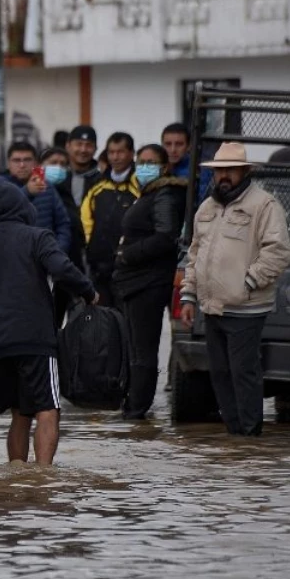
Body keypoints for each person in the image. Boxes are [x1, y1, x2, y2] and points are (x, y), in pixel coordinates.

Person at [0, 183, 96, 465]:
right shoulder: (38, 237)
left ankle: (17, 478)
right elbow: (61, 268)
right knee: (47, 409)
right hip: (36, 341)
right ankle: (42, 478)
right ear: (22, 207)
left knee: (19, 415)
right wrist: (88, 291)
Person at [180, 142, 290, 436]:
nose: (224, 175)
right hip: (212, 306)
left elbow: (278, 252)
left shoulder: (264, 205)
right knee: (219, 373)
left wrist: (249, 282)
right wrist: (189, 296)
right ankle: (235, 435)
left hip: (247, 307)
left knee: (243, 373)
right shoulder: (207, 207)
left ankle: (249, 434)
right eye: (219, 170)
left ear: (244, 171)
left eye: (230, 169)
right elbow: (195, 254)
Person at [112, 144, 187, 420]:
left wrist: (128, 254)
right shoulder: (150, 193)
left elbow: (166, 235)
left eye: (150, 162)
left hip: (148, 282)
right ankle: (134, 403)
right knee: (135, 348)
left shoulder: (164, 194)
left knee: (143, 350)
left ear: (164, 167)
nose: (144, 167)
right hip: (135, 281)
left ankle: (138, 407)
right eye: (140, 161)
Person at [81, 131, 140, 309]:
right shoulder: (97, 185)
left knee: (127, 321)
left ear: (131, 153)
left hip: (130, 266)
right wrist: (91, 246)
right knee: (104, 321)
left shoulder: (140, 184)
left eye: (120, 152)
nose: (115, 157)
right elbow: (85, 218)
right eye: (111, 152)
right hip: (100, 268)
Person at [0, 141, 72, 254]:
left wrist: (58, 250)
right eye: (17, 160)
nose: (22, 165)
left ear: (36, 163)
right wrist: (27, 192)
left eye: (27, 160)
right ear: (8, 163)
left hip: (44, 255)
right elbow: (1, 211)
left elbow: (63, 223)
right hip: (10, 257)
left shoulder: (46, 186)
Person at [41, 146, 82, 327]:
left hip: (65, 269)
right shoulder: (35, 193)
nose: (58, 168)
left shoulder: (67, 195)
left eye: (63, 165)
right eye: (53, 163)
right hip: (42, 269)